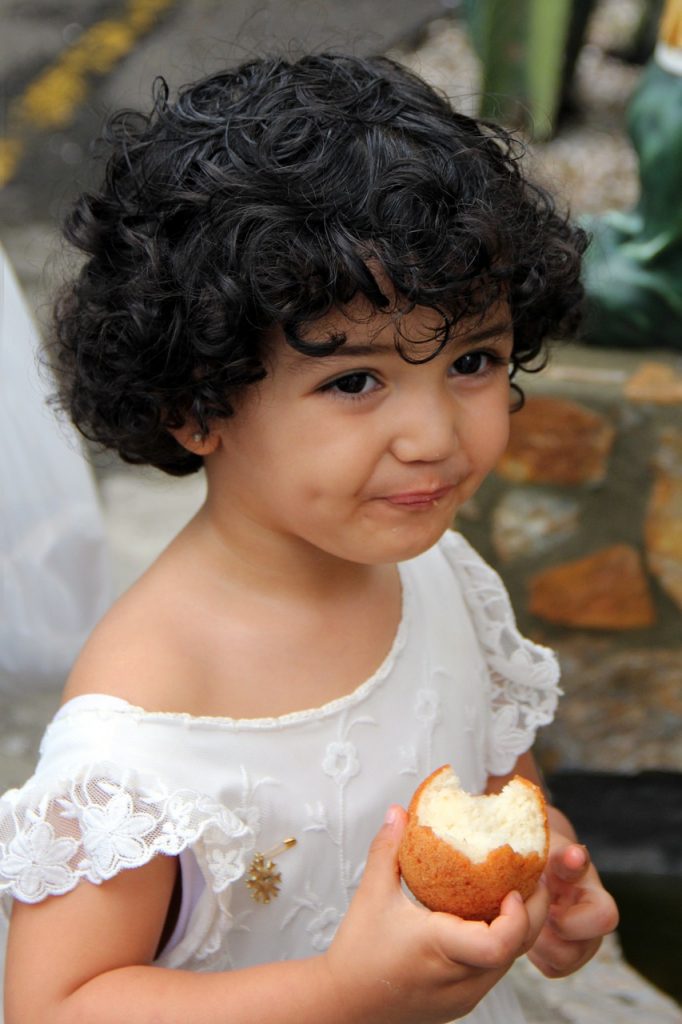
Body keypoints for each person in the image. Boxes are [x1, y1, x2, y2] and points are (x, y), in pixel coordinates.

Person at [0, 52, 618, 1024]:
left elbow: (488, 775)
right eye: (353, 380)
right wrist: (342, 991)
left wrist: (537, 882)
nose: (435, 436)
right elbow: (57, 1003)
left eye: (473, 358)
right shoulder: (148, 716)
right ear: (195, 404)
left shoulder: (432, 567)